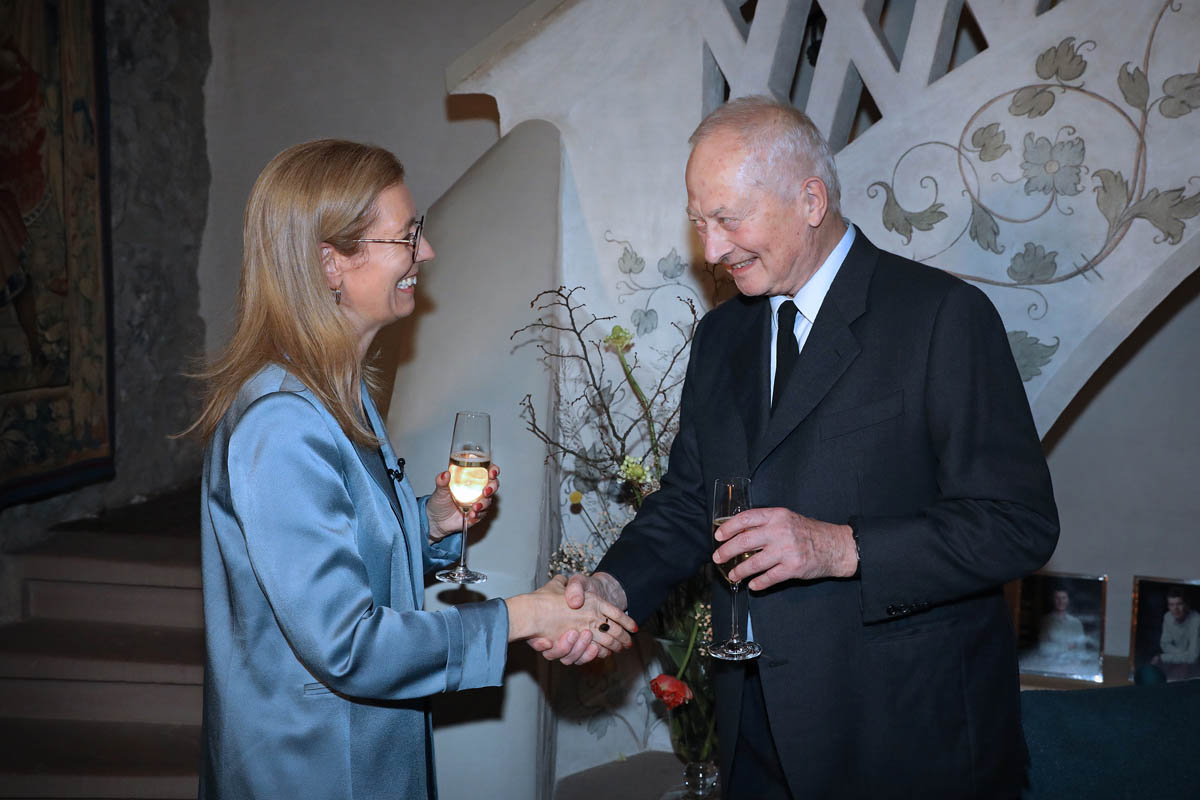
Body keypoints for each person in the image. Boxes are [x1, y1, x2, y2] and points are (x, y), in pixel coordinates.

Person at [536, 97, 1059, 798]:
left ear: (811, 201)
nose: (712, 251)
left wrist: (841, 547)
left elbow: (1018, 524)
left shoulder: (941, 316)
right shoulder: (720, 337)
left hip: (906, 740)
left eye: (729, 219)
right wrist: (610, 587)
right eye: (700, 223)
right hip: (753, 739)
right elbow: (688, 504)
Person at [188, 139, 635, 799]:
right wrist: (525, 617)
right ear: (331, 263)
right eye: (405, 236)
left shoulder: (339, 391)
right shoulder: (280, 424)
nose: (425, 251)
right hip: (315, 770)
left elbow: (341, 562)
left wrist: (430, 524)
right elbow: (349, 645)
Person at [1152, 586, 1200, 681]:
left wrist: (1162, 657)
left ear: (1187, 605)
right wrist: (1181, 654)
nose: (1175, 609)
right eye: (1171, 605)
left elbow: (1193, 657)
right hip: (1179, 658)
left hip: (1195, 663)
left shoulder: (1196, 620)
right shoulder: (1167, 617)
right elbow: (1165, 644)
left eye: (1179, 604)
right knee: (1153, 672)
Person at [1036, 586, 1087, 658]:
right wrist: (1067, 647)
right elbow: (1043, 649)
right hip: (1050, 663)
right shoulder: (1045, 621)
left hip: (1073, 663)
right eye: (1057, 598)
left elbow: (1082, 650)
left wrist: (1055, 647)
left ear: (1068, 600)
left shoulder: (1076, 623)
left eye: (1064, 598)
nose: (1061, 601)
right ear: (1053, 600)